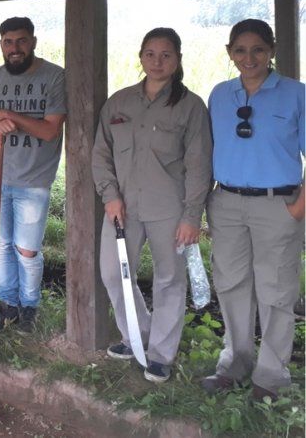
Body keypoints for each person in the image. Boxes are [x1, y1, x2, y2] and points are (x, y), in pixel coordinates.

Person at [92, 28, 212, 383]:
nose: (158, 62)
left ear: (177, 59)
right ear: (140, 57)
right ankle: (135, 336)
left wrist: (192, 216)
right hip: (122, 207)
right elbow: (101, 153)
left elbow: (199, 164)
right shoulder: (119, 102)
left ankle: (160, 353)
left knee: (169, 279)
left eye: (166, 55)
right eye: (151, 54)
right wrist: (109, 195)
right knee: (113, 273)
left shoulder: (190, 106)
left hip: (169, 209)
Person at [202, 19, 304, 403]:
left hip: (278, 204)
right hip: (226, 203)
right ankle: (234, 365)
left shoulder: (296, 94)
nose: (250, 58)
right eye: (241, 50)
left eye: (258, 49)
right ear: (230, 53)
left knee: (276, 290)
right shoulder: (220, 94)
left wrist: (297, 207)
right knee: (230, 285)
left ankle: (270, 378)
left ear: (271, 50)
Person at [0, 17, 66, 334]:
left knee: (27, 249)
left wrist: (9, 115)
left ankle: (29, 307)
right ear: (2, 44)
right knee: (1, 245)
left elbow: (51, 130)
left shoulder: (53, 77)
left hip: (33, 180)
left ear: (33, 42)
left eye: (21, 41)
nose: (15, 48)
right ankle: (7, 303)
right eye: (8, 42)